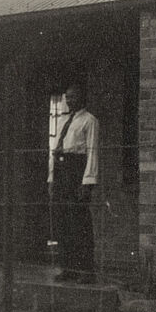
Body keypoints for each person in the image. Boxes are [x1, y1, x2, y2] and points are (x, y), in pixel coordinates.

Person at [48, 83, 99, 283]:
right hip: (61, 172)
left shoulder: (89, 121)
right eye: (67, 97)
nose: (70, 100)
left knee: (79, 224)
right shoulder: (62, 122)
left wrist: (87, 182)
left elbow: (92, 152)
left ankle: (86, 271)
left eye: (74, 96)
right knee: (62, 223)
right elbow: (55, 151)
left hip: (76, 172)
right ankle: (68, 268)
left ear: (82, 98)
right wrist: (51, 179)